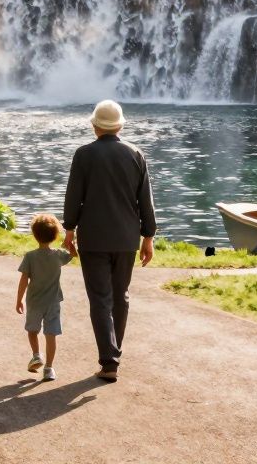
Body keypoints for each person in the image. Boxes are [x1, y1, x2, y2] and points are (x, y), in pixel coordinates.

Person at [62, 100, 156, 383]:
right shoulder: (136, 154)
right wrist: (148, 237)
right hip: (127, 238)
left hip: (93, 237)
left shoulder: (83, 155)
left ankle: (109, 360)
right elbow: (146, 202)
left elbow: (73, 196)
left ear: (94, 127)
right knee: (120, 296)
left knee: (100, 298)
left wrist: (69, 229)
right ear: (121, 125)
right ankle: (114, 353)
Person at [15, 214, 72, 382]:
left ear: (34, 234)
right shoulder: (59, 255)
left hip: (34, 301)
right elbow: (73, 255)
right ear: (55, 235)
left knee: (32, 330)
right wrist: (71, 245)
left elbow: (24, 279)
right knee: (51, 334)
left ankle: (36, 355)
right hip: (53, 302)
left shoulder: (30, 256)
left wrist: (18, 299)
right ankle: (49, 368)